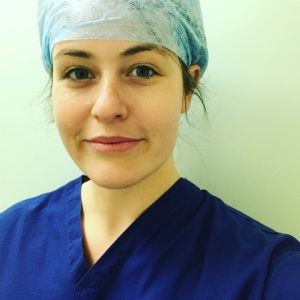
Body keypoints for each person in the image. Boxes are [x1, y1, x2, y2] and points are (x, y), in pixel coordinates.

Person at [0, 0, 299, 299]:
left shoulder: (272, 277)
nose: (107, 108)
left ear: (188, 89)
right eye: (79, 73)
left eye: (142, 71)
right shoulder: (7, 241)